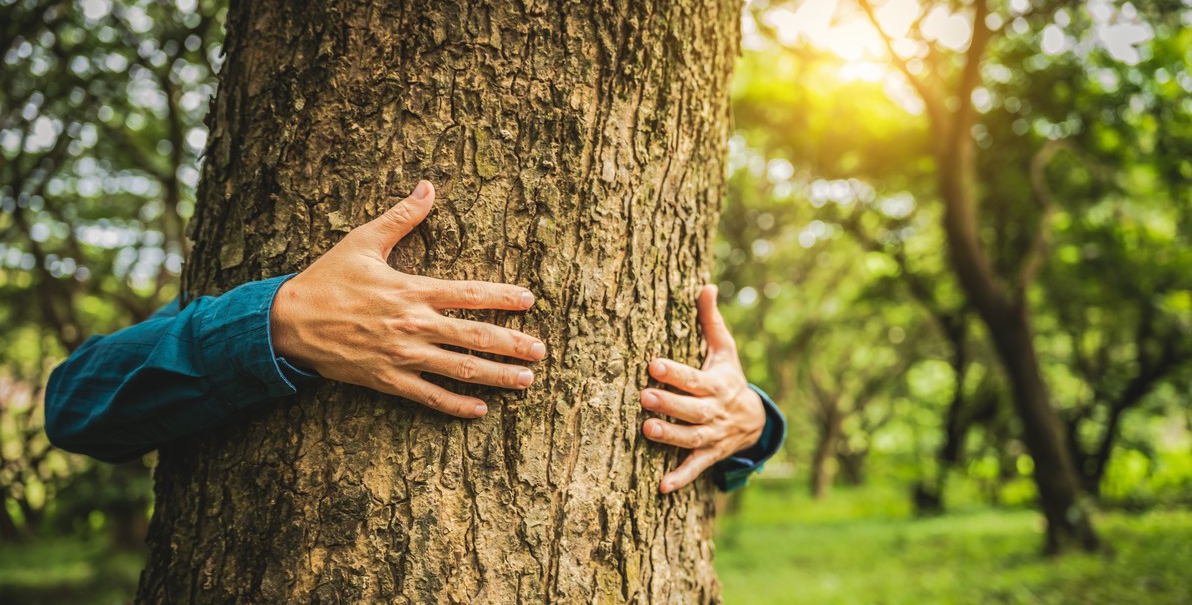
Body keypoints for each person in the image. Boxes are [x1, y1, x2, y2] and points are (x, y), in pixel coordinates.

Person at [45, 180, 785, 493]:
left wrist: (751, 418)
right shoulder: (227, 279)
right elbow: (75, 407)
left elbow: (711, 441)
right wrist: (278, 323)